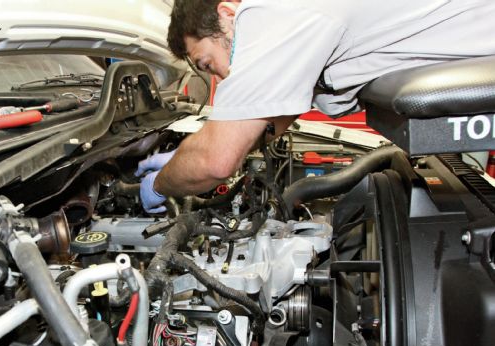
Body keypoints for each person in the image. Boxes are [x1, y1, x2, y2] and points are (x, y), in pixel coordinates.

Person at [136, 0, 495, 213]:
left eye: (207, 64)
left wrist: (162, 183)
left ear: (228, 14)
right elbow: (268, 119)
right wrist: (185, 153)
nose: (223, 76)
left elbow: (216, 161)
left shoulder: (267, 13)